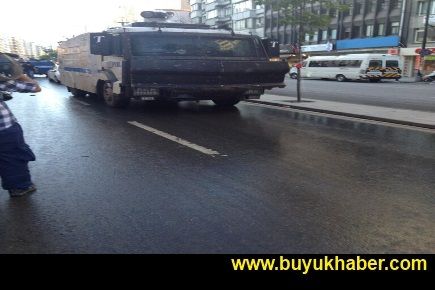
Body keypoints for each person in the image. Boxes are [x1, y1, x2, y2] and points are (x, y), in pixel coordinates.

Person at [0, 52, 41, 197]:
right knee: (13, 158)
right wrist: (19, 74)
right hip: (4, 129)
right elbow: (35, 88)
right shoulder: (3, 82)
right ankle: (20, 187)